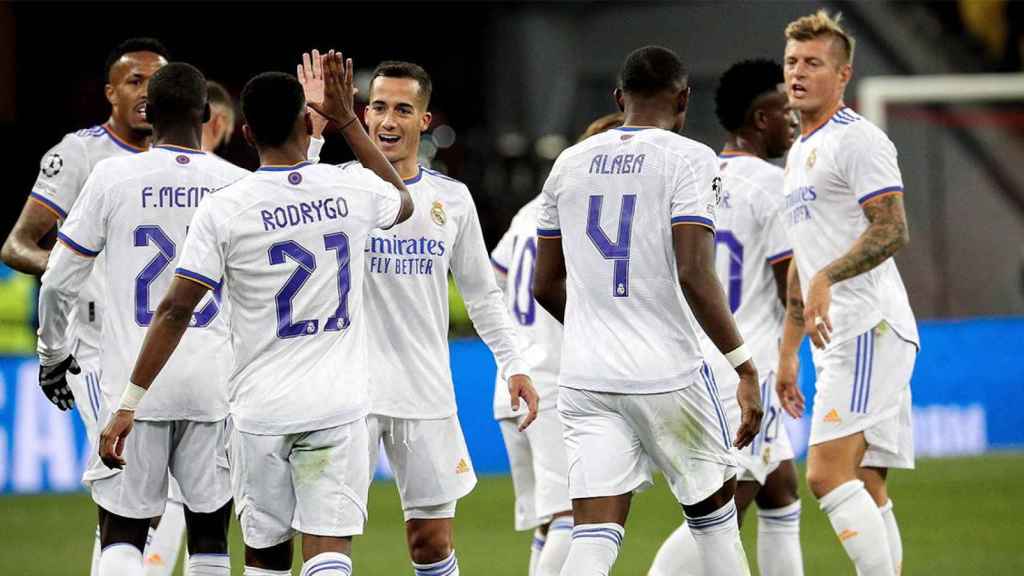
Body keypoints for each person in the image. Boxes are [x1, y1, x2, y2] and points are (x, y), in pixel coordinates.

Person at [98, 51, 413, 576]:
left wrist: (129, 402)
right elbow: (400, 201)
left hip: (260, 412)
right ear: (304, 122)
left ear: (245, 133)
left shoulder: (226, 207)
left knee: (265, 558)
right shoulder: (350, 188)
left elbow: (176, 310)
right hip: (338, 404)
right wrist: (346, 120)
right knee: (330, 552)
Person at [299, 54, 539, 575]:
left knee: (430, 542)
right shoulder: (335, 186)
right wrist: (316, 132)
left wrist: (513, 364)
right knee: (327, 536)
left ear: (424, 121)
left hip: (424, 388)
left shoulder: (452, 200)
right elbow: (283, 192)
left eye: (403, 110)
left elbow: (482, 294)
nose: (388, 120)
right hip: (346, 391)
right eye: (379, 107)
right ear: (361, 115)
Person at [532, 45, 763, 576]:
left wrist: (598, 325)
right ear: (683, 99)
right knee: (715, 524)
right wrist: (744, 366)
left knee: (592, 536)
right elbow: (693, 272)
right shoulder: (688, 158)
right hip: (667, 374)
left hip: (587, 377)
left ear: (619, 98)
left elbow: (545, 284)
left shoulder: (569, 162)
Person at [37, 61, 247, 576]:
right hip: (213, 383)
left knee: (123, 532)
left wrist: (52, 354)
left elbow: (58, 280)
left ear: (149, 111)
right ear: (205, 113)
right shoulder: (237, 184)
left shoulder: (112, 177)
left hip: (132, 381)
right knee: (208, 533)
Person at [2, 37, 182, 576]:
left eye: (158, 83)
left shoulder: (182, 158)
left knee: (161, 496)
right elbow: (17, 244)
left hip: (166, 346)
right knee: (126, 492)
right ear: (110, 93)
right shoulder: (80, 154)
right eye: (134, 82)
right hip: (98, 349)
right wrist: (79, 269)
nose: (147, 93)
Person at [648, 59, 804, 576]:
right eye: (784, 110)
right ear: (760, 119)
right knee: (723, 511)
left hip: (696, 360)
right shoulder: (773, 185)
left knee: (779, 488)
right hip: (747, 372)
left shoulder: (696, 175)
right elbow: (792, 294)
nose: (794, 119)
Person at [777, 11, 918, 575]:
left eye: (813, 63)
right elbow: (800, 263)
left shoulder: (858, 140)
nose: (798, 73)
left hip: (866, 327)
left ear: (843, 74)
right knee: (865, 483)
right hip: (841, 335)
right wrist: (787, 352)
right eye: (791, 62)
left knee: (826, 474)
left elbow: (892, 228)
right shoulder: (799, 151)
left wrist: (826, 277)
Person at [490, 111, 623, 576]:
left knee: (550, 522)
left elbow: (497, 278)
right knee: (574, 516)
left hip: (514, 384)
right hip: (551, 389)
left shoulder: (532, 211)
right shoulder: (590, 213)